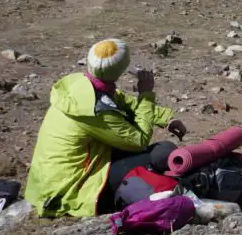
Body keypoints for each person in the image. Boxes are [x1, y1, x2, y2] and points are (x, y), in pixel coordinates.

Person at [24, 39, 188, 217]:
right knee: (164, 153)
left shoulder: (81, 85)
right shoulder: (96, 110)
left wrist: (165, 118)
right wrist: (146, 94)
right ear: (121, 69)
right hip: (71, 187)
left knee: (160, 153)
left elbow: (124, 102)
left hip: (48, 182)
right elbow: (138, 140)